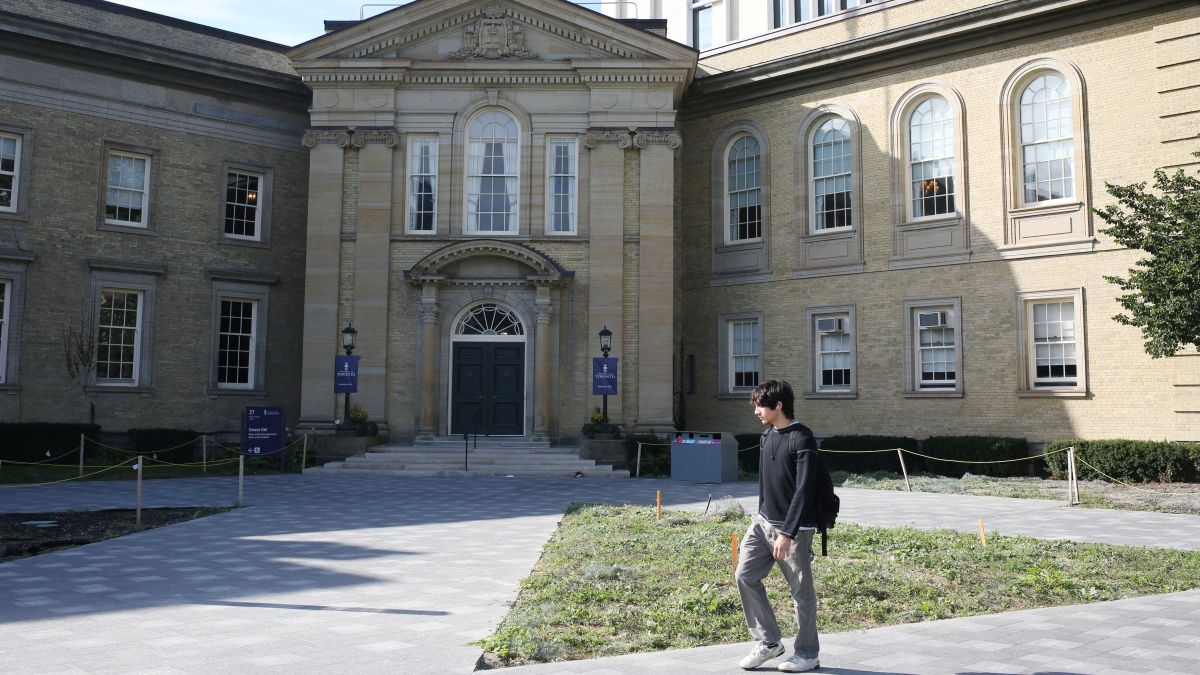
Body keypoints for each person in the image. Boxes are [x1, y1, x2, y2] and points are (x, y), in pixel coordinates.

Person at [736, 379, 821, 672]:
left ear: (778, 405)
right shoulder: (767, 436)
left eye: (760, 406)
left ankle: (808, 654)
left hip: (794, 530)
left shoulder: (802, 438)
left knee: (801, 592)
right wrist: (759, 516)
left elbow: (804, 490)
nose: (756, 411)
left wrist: (786, 533)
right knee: (744, 575)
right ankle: (769, 642)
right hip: (762, 524)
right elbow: (764, 484)